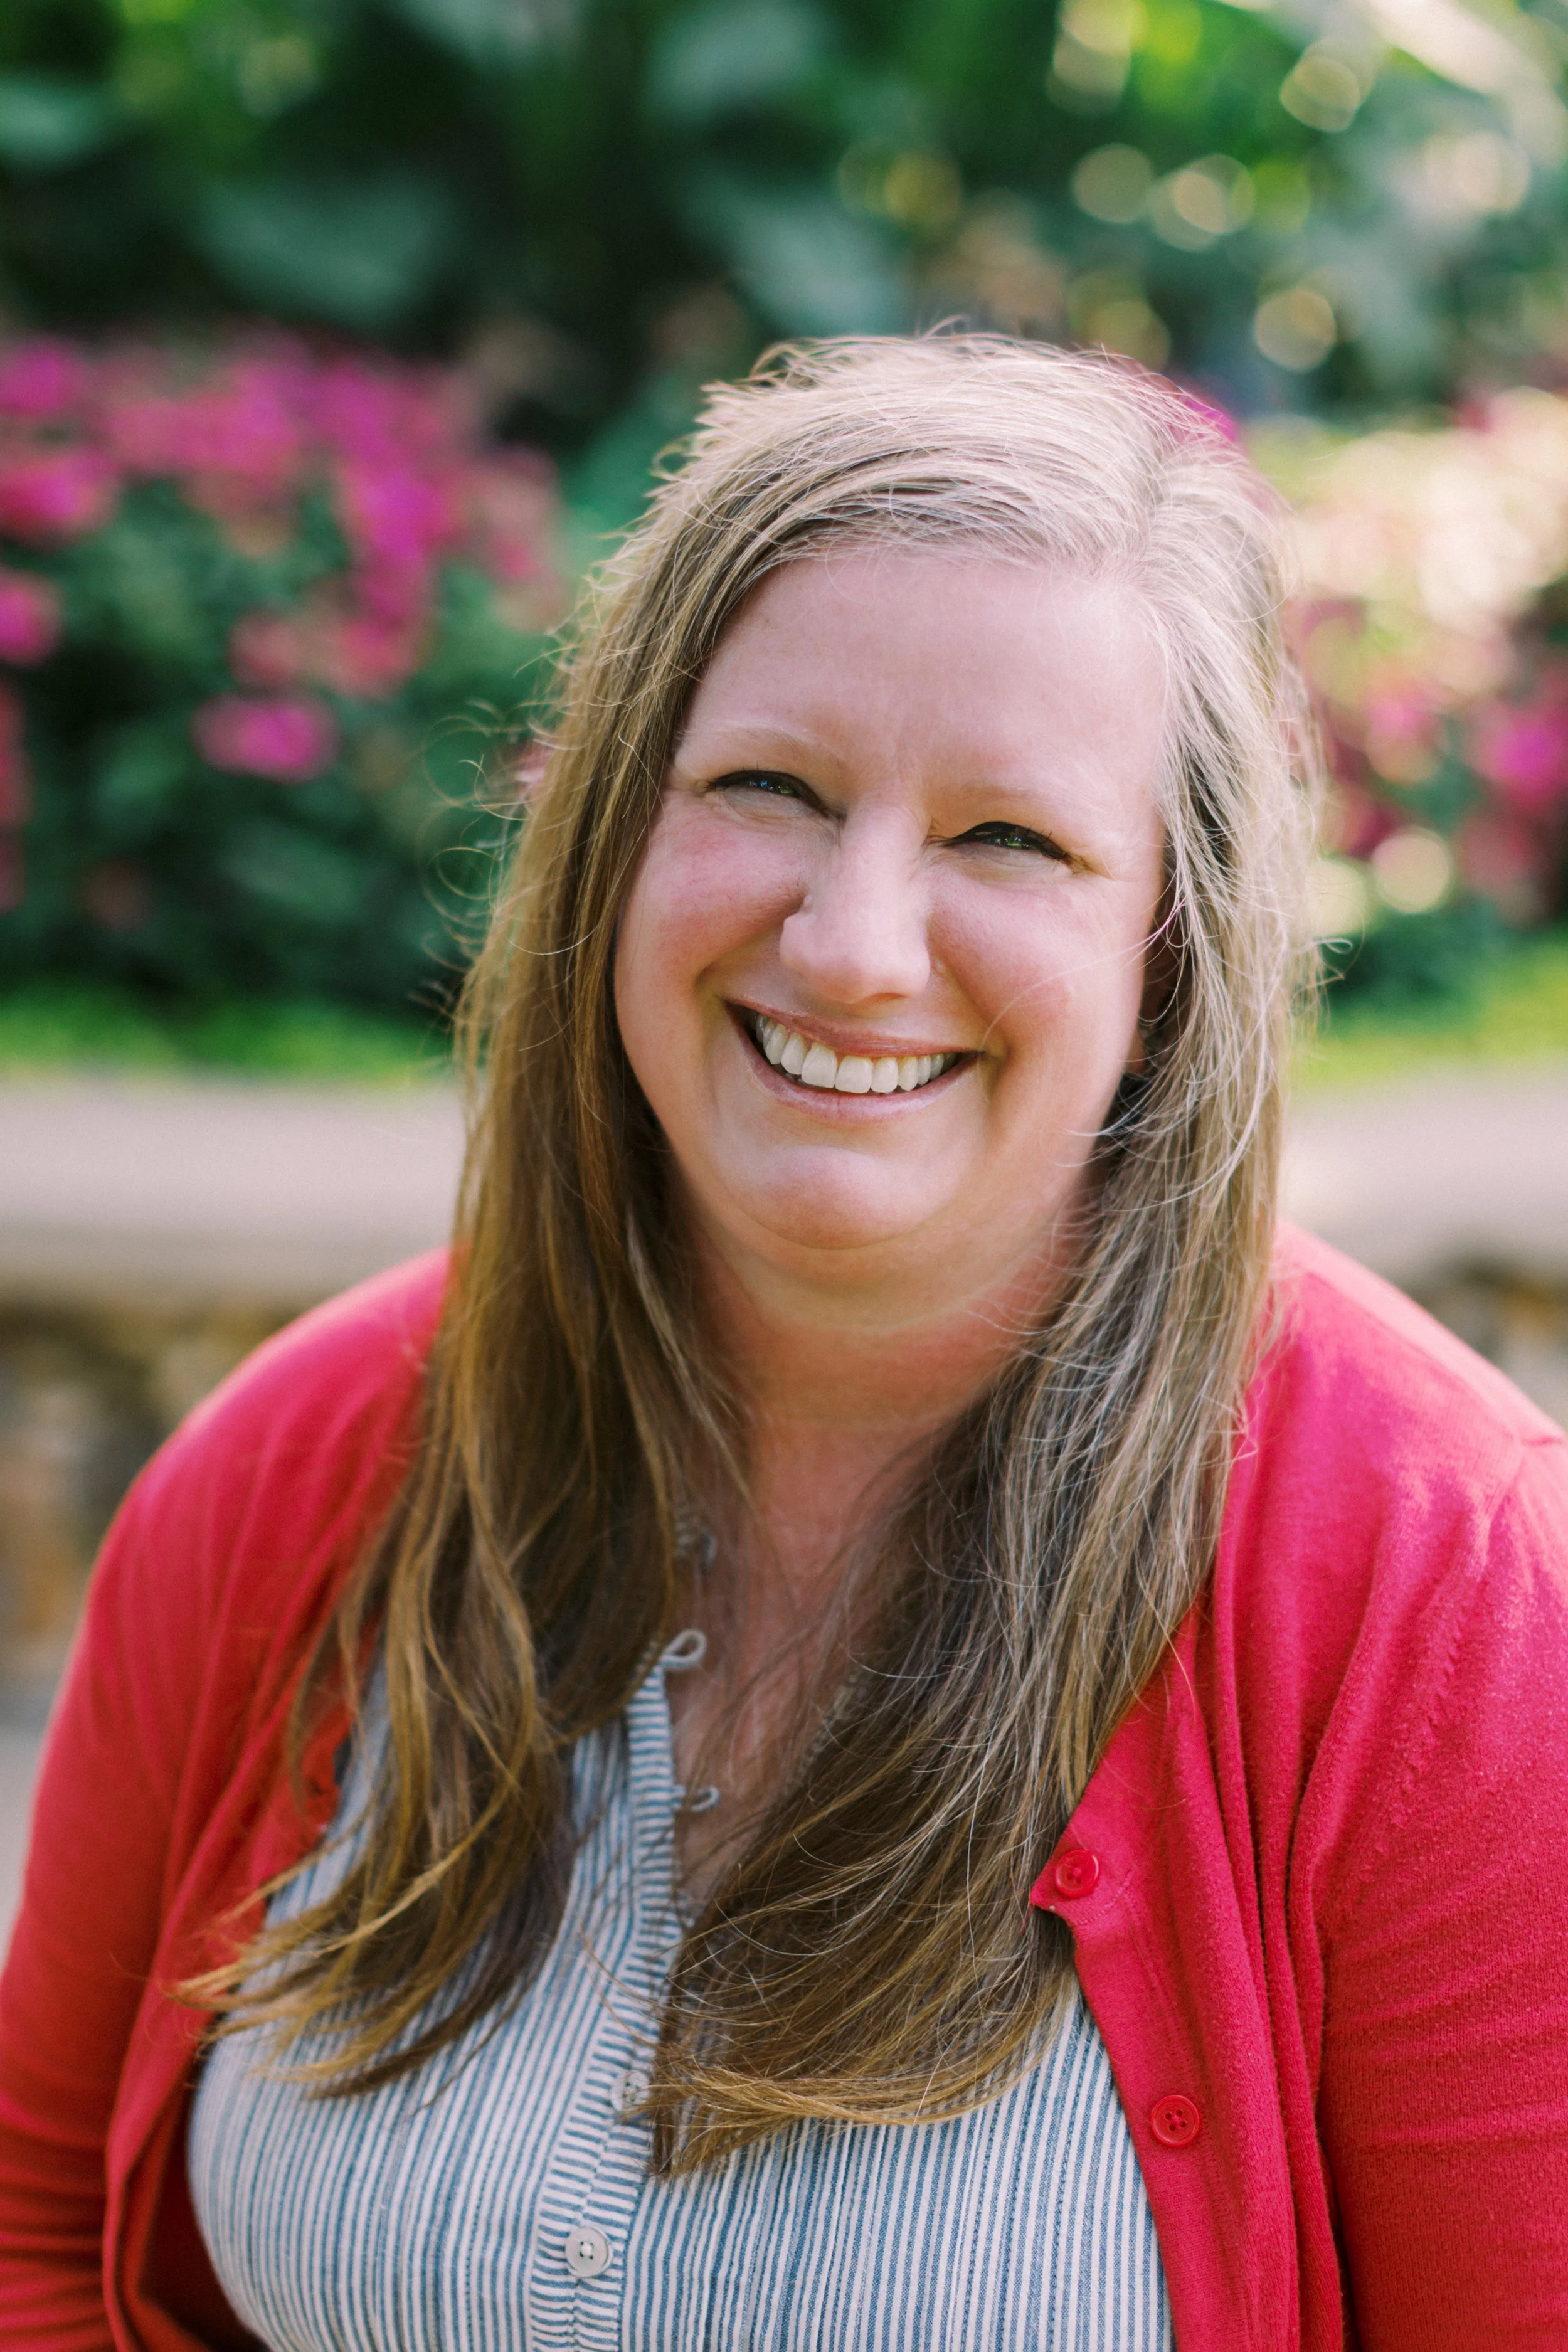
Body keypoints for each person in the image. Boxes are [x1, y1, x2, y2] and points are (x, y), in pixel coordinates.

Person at [1, 336, 1565, 2352]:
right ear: (614, 841)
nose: (848, 940)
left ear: (1167, 948)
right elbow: (41, 2232)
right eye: (768, 789)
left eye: (1010, 838)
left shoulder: (1452, 1606)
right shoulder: (298, 1470)